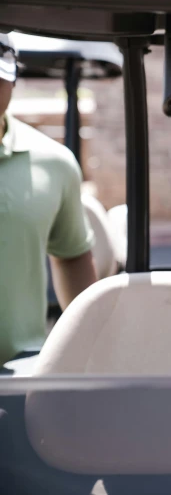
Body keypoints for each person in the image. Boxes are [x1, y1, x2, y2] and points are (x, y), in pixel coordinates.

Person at [0, 33, 97, 367]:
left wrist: (85, 357)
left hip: (17, 380)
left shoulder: (54, 163)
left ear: (12, 81)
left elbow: (72, 257)